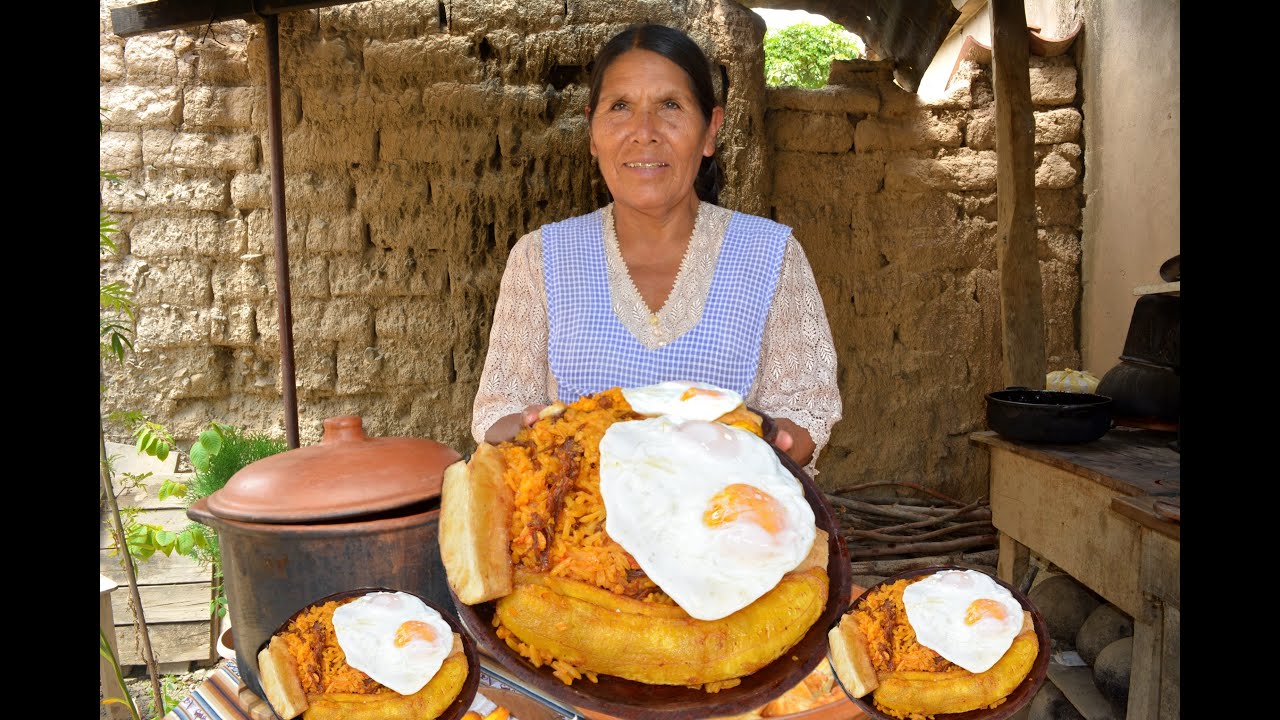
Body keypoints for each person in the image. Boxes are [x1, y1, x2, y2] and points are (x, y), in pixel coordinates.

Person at [471, 23, 841, 473]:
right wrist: (528, 427)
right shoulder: (540, 259)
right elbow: (495, 412)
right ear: (593, 131)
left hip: (723, 525)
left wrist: (779, 442)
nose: (644, 132)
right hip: (580, 532)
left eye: (670, 106)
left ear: (710, 130)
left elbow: (807, 410)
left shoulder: (770, 256)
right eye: (620, 107)